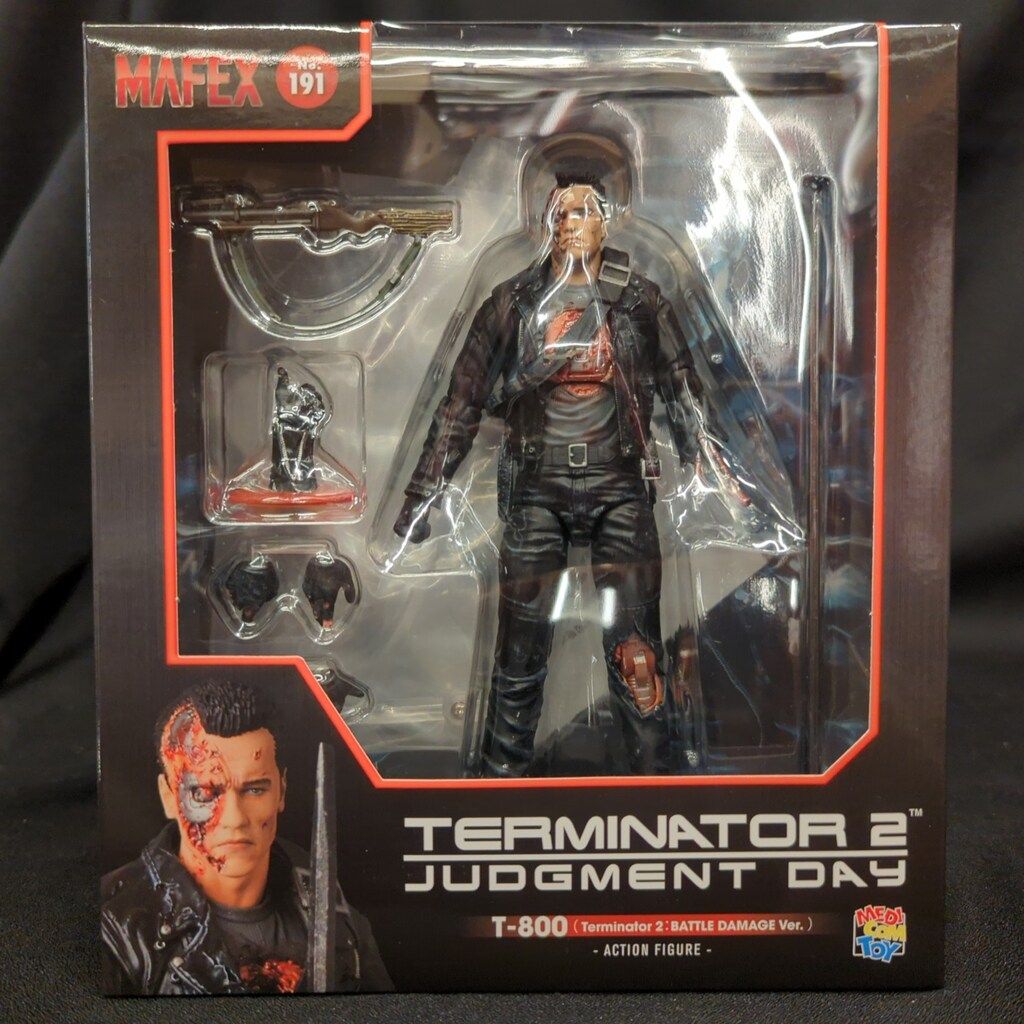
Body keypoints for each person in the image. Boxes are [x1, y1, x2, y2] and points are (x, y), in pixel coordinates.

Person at [395, 167, 749, 778]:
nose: (569, 224)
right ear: (545, 223)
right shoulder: (512, 303)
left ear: (605, 222)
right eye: (560, 213)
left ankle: (654, 785)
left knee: (638, 660)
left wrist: (715, 467)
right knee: (518, 657)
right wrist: (424, 494)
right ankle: (499, 783)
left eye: (582, 211)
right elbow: (461, 402)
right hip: (537, 488)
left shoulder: (638, 300)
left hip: (620, 486)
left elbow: (683, 386)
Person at [101, 679, 392, 994]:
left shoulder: (334, 914)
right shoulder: (117, 926)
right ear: (169, 796)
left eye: (254, 790)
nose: (234, 819)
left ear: (281, 791)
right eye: (204, 793)